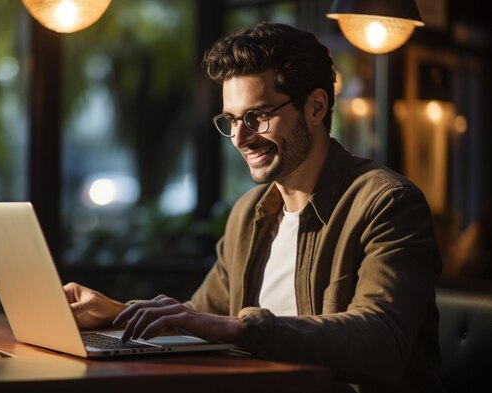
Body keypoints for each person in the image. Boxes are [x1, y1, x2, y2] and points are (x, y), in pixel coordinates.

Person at [63, 22, 445, 392]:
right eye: (231, 120)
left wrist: (242, 327)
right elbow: (202, 317)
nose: (240, 138)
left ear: (315, 107)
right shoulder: (249, 212)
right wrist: (115, 312)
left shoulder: (387, 202)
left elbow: (382, 340)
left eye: (256, 117)